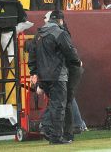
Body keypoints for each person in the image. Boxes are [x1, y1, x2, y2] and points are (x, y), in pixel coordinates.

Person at [28, 10, 81, 145]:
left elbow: (32, 55)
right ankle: (56, 137)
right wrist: (76, 63)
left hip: (43, 77)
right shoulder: (60, 33)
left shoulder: (38, 34)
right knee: (59, 106)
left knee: (53, 105)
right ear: (60, 20)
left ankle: (49, 130)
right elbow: (69, 51)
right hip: (57, 75)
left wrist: (34, 72)